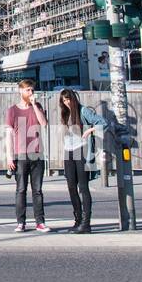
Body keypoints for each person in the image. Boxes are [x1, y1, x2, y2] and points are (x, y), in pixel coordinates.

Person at [57, 89, 108, 233]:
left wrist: (89, 130)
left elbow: (103, 122)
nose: (67, 102)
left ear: (73, 98)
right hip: (69, 152)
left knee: (83, 188)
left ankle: (86, 223)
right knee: (71, 186)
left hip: (82, 151)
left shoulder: (83, 111)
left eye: (68, 99)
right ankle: (77, 220)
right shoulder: (65, 113)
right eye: (64, 100)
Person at [5, 79, 49, 232]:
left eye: (32, 90)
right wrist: (9, 156)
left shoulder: (37, 107)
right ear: (20, 91)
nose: (30, 93)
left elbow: (43, 123)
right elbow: (9, 134)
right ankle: (21, 222)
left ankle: (40, 222)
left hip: (37, 153)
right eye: (28, 90)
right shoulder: (12, 110)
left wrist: (35, 105)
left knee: (37, 190)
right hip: (20, 154)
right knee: (21, 189)